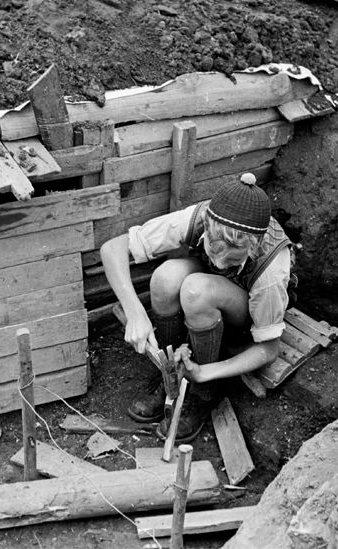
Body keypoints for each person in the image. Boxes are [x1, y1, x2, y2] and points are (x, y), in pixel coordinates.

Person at [100, 172, 294, 442]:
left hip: (242, 311)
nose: (220, 259)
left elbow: (268, 349)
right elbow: (112, 249)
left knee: (196, 290)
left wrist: (205, 373)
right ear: (208, 223)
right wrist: (135, 313)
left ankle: (203, 392)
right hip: (206, 291)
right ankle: (170, 372)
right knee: (165, 277)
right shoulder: (202, 216)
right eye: (214, 247)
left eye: (232, 253)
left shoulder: (272, 268)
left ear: (255, 245)